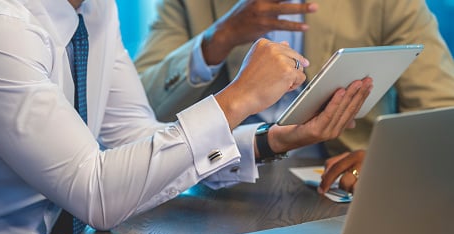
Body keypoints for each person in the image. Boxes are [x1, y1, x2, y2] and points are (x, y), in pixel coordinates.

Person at [0, 0, 373, 234]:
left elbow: (137, 139)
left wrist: (269, 140)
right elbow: (95, 192)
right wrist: (236, 99)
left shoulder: (92, 10)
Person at [134, 0, 454, 158]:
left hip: (336, 174)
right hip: (216, 173)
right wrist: (219, 38)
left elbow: (441, 109)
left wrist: (384, 165)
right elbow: (135, 112)